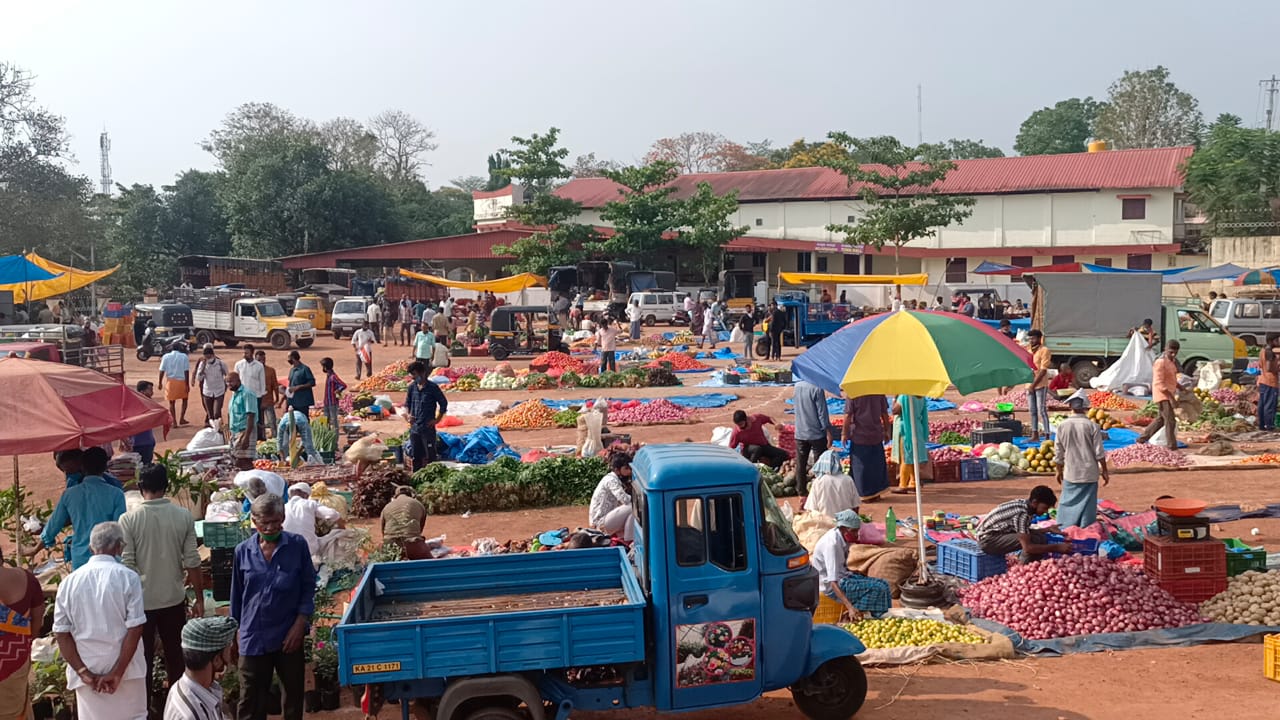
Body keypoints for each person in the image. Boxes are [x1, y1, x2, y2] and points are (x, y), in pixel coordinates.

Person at [120, 464, 203, 710]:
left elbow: (127, 565)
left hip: (141, 604)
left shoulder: (128, 519)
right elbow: (192, 560)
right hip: (173, 599)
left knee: (142, 661)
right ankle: (178, 709)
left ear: (140, 487)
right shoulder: (183, 517)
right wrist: (199, 598)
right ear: (166, 486)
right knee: (176, 658)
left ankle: (144, 710)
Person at [231, 494, 316, 720]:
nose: (269, 527)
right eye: (263, 522)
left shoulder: (297, 546)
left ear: (283, 518)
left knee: (293, 696)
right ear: (254, 521)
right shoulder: (243, 551)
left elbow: (308, 587)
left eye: (274, 521)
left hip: (288, 634)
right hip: (253, 635)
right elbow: (237, 596)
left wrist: (300, 624)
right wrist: (235, 634)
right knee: (250, 699)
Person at [52, 521, 148, 720]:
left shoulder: (68, 583)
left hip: (88, 674)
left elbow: (61, 634)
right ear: (119, 547)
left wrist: (83, 672)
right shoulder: (128, 578)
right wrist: (118, 672)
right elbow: (135, 628)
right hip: (128, 673)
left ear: (90, 548)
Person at [41, 447, 126, 568]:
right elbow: (120, 528)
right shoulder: (116, 493)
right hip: (109, 557)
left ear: (82, 467)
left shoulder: (70, 494)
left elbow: (53, 525)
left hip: (80, 558)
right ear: (105, 466)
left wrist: (37, 546)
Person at [810, 511, 891, 618]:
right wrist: (849, 607)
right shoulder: (832, 545)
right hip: (831, 587)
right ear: (843, 528)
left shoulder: (842, 537)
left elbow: (842, 567)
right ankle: (852, 614)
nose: (856, 534)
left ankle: (872, 615)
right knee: (878, 588)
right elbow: (833, 582)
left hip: (843, 576)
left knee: (884, 584)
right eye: (853, 531)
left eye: (857, 531)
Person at [162, 616, 239, 720]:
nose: (231, 655)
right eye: (228, 649)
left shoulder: (203, 690)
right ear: (216, 660)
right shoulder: (190, 716)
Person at [1054, 390, 1110, 528]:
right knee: (1088, 503)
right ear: (1085, 408)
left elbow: (1058, 452)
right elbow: (1099, 452)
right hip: (1089, 472)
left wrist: (1058, 470)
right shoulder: (1092, 426)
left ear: (1070, 407)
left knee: (1067, 500)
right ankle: (1085, 527)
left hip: (1071, 471)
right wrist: (1105, 470)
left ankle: (1064, 526)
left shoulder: (1062, 425)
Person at [0, 545, 44, 719]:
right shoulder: (27, 578)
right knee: (16, 709)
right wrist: (25, 643)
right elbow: (38, 617)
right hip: (16, 657)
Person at [975, 486, 1072, 562]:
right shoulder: (1022, 514)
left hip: (997, 535)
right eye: (1044, 508)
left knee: (1040, 537)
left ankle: (1031, 565)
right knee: (1033, 540)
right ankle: (1023, 570)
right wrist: (1056, 547)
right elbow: (1028, 547)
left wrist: (1047, 530)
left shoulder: (1024, 504)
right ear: (1035, 502)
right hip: (988, 541)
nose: (1045, 512)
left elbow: (1023, 531)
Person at [842, 394, 891, 502]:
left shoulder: (853, 393)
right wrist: (887, 430)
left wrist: (844, 434)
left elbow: (847, 415)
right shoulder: (878, 391)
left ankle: (865, 494)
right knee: (876, 465)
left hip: (860, 436)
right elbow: (884, 413)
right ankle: (876, 492)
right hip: (876, 434)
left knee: (861, 467)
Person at [1137, 340, 1181, 450]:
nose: (1173, 355)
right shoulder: (1160, 362)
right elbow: (1159, 383)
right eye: (1171, 352)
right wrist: (1171, 398)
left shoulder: (1172, 362)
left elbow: (1171, 379)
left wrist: (1181, 387)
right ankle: (1172, 446)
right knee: (1170, 421)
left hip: (1169, 393)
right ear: (1165, 349)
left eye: (1175, 352)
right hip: (1163, 395)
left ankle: (1142, 439)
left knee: (1161, 420)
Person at [792, 379, 832, 500]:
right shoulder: (817, 388)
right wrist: (828, 431)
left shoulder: (797, 386)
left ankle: (801, 492)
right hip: (816, 433)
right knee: (820, 464)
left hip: (800, 432)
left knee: (801, 463)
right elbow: (822, 413)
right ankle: (819, 492)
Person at [405, 360, 448, 471]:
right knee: (416, 456)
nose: (413, 377)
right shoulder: (412, 387)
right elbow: (407, 403)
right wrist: (408, 415)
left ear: (423, 373)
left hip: (427, 428)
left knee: (430, 456)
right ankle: (417, 475)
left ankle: (431, 477)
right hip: (414, 428)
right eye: (412, 375)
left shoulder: (432, 388)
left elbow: (443, 403)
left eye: (415, 374)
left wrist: (437, 420)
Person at [282, 483, 343, 561]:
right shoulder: (310, 504)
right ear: (305, 495)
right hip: (310, 550)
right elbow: (332, 514)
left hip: (287, 551)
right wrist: (342, 527)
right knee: (338, 534)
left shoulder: (283, 507)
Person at [890, 394, 929, 494]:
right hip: (917, 427)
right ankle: (914, 482)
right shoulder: (921, 397)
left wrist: (895, 398)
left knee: (906, 457)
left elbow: (895, 410)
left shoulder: (904, 396)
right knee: (913, 456)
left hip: (906, 430)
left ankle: (903, 485)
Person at [589, 453, 634, 539]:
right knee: (632, 507)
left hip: (605, 520)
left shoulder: (614, 479)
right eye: (626, 468)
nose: (629, 472)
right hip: (600, 523)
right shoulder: (611, 480)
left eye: (630, 468)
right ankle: (629, 541)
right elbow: (624, 499)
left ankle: (626, 539)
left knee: (631, 511)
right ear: (617, 470)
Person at [803, 450, 858, 518]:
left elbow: (811, 509)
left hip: (825, 524)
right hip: (845, 524)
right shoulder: (848, 479)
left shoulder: (818, 481)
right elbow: (855, 506)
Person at [226, 372, 257, 470]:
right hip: (236, 432)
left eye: (231, 381)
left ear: (238, 381)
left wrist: (246, 437)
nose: (228, 384)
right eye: (227, 382)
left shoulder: (247, 394)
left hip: (245, 431)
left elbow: (250, 416)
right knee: (237, 460)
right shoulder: (234, 395)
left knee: (244, 461)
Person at [1026, 329, 1053, 442]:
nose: (1031, 341)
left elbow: (1043, 371)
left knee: (1041, 410)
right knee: (1032, 411)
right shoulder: (1028, 350)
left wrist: (1034, 385)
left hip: (1040, 384)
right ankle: (1035, 434)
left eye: (1033, 338)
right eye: (1030, 339)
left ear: (1039, 338)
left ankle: (1047, 435)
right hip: (1029, 384)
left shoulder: (1044, 350)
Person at [234, 345, 266, 436]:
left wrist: (262, 397)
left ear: (252, 353)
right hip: (242, 396)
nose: (244, 355)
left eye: (247, 353)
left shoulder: (259, 366)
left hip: (256, 397)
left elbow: (262, 382)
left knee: (257, 418)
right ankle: (242, 435)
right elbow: (235, 380)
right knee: (242, 417)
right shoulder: (238, 365)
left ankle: (259, 438)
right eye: (244, 353)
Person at [55, 448, 124, 490]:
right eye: (66, 472)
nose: (69, 474)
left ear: (83, 465)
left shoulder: (111, 482)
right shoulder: (71, 483)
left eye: (72, 470)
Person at [125, 381, 158, 464]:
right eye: (149, 390)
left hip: (146, 442)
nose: (152, 393)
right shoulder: (136, 406)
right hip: (138, 443)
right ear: (142, 392)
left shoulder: (148, 404)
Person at [195, 345, 228, 426]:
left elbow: (226, 375)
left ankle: (219, 431)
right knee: (210, 415)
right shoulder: (202, 364)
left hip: (219, 391)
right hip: (207, 392)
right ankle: (212, 431)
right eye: (206, 357)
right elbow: (199, 378)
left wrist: (226, 386)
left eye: (209, 356)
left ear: (213, 355)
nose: (207, 358)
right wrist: (203, 368)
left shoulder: (221, 363)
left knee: (217, 412)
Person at [255, 350, 279, 439]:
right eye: (259, 360)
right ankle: (261, 438)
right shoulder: (253, 371)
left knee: (272, 421)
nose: (262, 361)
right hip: (257, 401)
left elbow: (275, 385)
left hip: (268, 400)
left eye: (263, 359)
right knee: (259, 422)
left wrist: (277, 398)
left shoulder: (270, 370)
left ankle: (275, 438)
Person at [319, 357, 347, 431]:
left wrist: (338, 390)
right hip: (326, 402)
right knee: (324, 419)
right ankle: (325, 433)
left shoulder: (333, 376)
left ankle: (335, 437)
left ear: (325, 367)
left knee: (333, 420)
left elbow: (343, 385)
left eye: (323, 366)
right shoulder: (328, 376)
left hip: (332, 402)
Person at [285, 351, 315, 417]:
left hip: (302, 402)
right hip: (292, 401)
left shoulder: (305, 369)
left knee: (303, 420)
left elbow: (312, 382)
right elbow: (290, 385)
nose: (288, 360)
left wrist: (299, 387)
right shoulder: (292, 370)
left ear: (293, 358)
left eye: (289, 358)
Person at [1259, 334, 1279, 431]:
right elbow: (1269, 368)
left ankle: (1262, 425)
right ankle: (1269, 426)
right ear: (1272, 341)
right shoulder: (1269, 352)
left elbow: (1261, 365)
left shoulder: (1263, 350)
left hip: (1263, 380)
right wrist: (1277, 368)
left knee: (1262, 404)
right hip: (1270, 382)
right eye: (1277, 340)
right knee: (1270, 405)